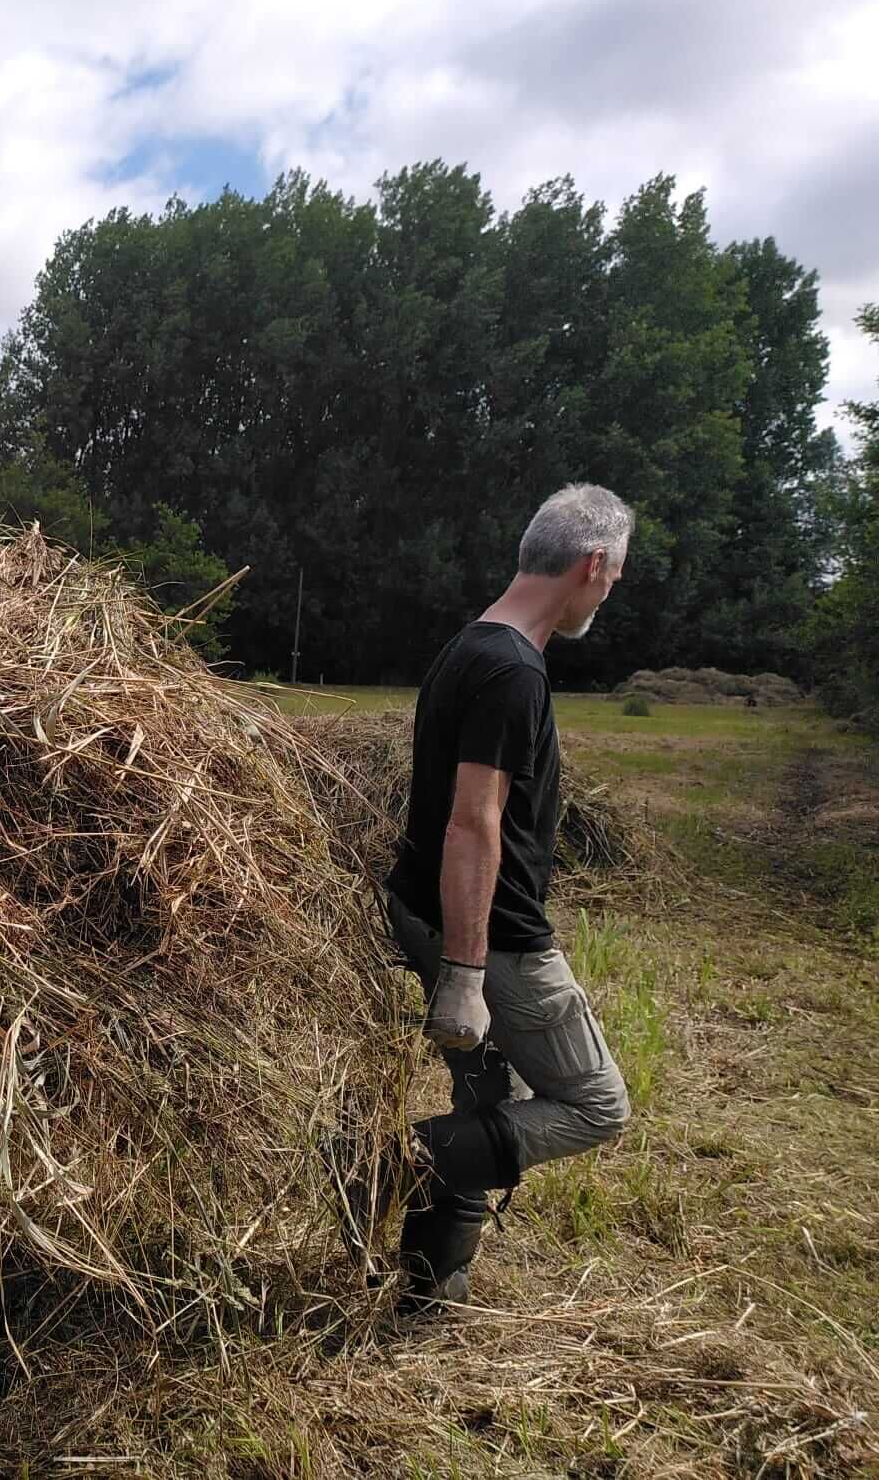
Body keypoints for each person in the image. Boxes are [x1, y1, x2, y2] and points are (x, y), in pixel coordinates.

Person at [352, 483, 636, 1316]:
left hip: (428, 911)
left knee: (484, 1103)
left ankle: (431, 1284)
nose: (610, 591)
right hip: (492, 938)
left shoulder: (472, 644)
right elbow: (473, 822)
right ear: (592, 565)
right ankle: (382, 1163)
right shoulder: (513, 671)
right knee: (594, 1105)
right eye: (613, 576)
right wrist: (469, 972)